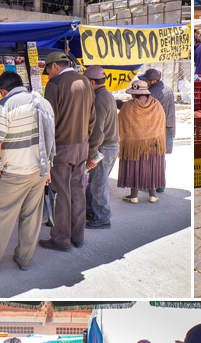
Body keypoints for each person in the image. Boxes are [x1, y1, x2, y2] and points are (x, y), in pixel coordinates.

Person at [0, 70, 55, 273]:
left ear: (3, 90)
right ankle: (24, 259)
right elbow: (50, 139)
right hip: (39, 171)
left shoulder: (5, 105)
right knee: (31, 216)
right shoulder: (42, 101)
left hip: (16, 172)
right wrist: (48, 167)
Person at [41, 52, 96, 252]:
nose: (47, 74)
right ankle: (78, 236)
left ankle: (61, 239)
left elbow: (49, 123)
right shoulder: (85, 83)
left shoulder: (55, 84)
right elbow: (92, 118)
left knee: (61, 194)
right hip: (82, 146)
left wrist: (46, 153)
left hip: (62, 148)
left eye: (47, 69)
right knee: (78, 191)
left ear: (54, 66)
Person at [118, 79, 166, 204]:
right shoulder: (157, 104)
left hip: (133, 144)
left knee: (135, 166)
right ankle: (153, 195)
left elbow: (121, 124)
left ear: (134, 94)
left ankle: (134, 196)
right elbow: (162, 122)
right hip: (154, 143)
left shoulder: (128, 106)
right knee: (152, 166)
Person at [83, 66, 120, 230]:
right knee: (96, 183)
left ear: (92, 82)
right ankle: (92, 213)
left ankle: (103, 217)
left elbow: (97, 131)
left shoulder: (99, 99)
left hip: (103, 148)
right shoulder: (106, 95)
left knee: (99, 184)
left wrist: (91, 154)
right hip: (109, 146)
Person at [142, 69, 175, 193]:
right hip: (168, 126)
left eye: (147, 80)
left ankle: (152, 185)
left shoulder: (152, 93)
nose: (145, 82)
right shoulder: (168, 88)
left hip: (157, 129)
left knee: (152, 157)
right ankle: (160, 184)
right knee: (160, 157)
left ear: (153, 81)